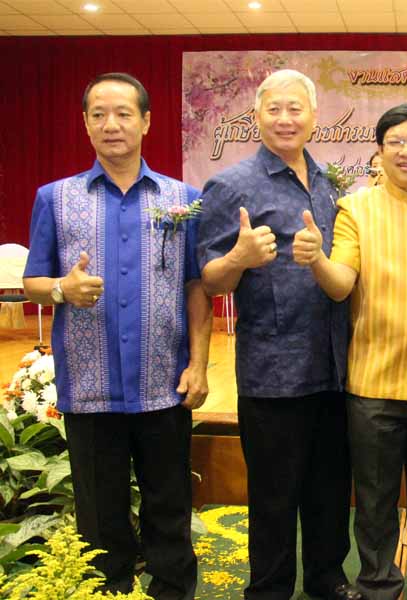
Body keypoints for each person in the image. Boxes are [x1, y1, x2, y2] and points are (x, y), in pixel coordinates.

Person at [22, 72, 212, 600]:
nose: (112, 124)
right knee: (99, 515)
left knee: (169, 505)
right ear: (85, 124)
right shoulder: (55, 199)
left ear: (146, 122)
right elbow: (33, 281)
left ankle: (172, 589)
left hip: (164, 383)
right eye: (99, 114)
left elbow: (197, 287)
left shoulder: (183, 200)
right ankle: (109, 589)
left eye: (124, 113)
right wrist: (62, 288)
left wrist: (199, 364)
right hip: (90, 386)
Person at [196, 69, 358, 600]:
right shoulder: (232, 185)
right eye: (274, 109)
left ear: (314, 117)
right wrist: (239, 258)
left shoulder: (330, 183)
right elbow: (209, 278)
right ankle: (268, 589)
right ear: (257, 117)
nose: (285, 119)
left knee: (330, 488)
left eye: (296, 109)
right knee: (273, 496)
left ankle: (327, 579)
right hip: (273, 372)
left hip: (335, 367)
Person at [293, 103, 407, 600]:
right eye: (395, 142)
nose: (406, 151)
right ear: (380, 151)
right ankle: (379, 582)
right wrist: (317, 260)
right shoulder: (356, 209)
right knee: (374, 495)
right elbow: (341, 284)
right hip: (374, 379)